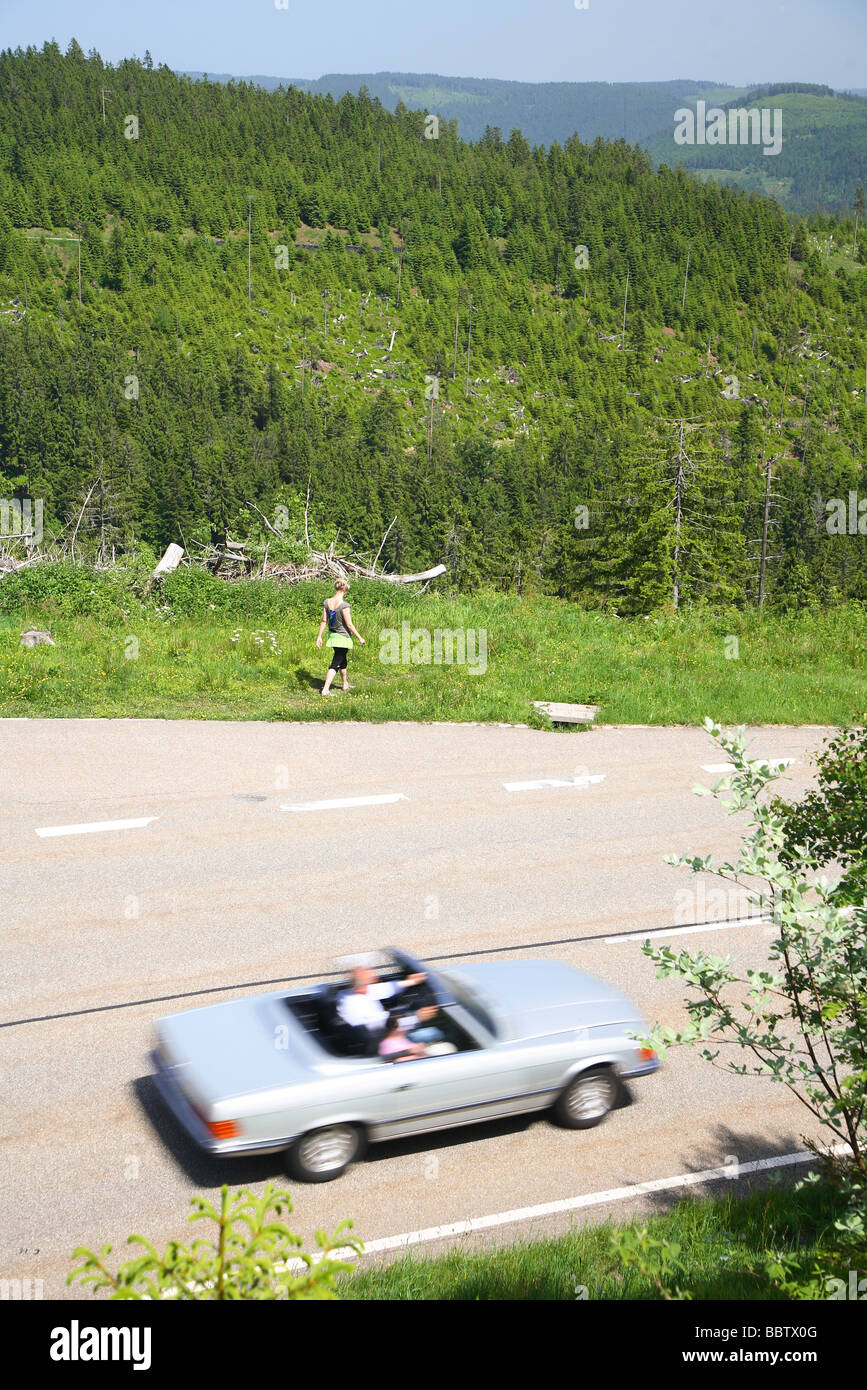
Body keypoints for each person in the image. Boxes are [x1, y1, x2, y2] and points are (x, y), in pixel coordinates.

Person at [336, 966, 439, 1047]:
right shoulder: (362, 1009)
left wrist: (410, 982)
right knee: (434, 1033)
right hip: (383, 1037)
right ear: (364, 985)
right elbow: (392, 1023)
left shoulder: (349, 993)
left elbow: (381, 989)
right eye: (373, 979)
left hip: (383, 1027)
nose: (378, 978)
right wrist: (418, 1017)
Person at [316, 580, 365, 696]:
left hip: (333, 636)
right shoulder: (344, 605)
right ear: (344, 590)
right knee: (336, 663)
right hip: (343, 637)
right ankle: (325, 689)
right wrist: (360, 637)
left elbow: (324, 621)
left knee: (342, 659)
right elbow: (349, 624)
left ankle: (345, 684)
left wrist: (319, 637)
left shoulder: (327, 602)